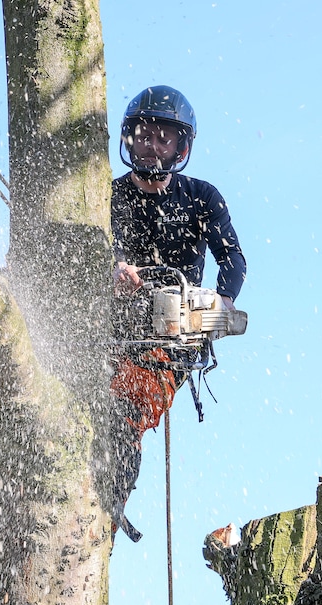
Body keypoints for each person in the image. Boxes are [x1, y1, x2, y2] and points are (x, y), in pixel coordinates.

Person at [107, 85, 246, 541]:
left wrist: (221, 303)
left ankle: (110, 495)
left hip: (174, 331)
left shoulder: (202, 197)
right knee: (86, 400)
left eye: (162, 137)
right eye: (144, 135)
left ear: (181, 145)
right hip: (113, 322)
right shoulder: (109, 197)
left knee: (127, 409)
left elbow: (233, 260)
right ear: (130, 140)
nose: (152, 145)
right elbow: (88, 254)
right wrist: (114, 268)